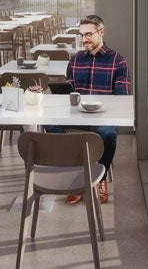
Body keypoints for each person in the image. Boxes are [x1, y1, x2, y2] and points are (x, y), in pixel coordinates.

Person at [43, 14, 130, 204]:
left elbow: (123, 100)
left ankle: (101, 177)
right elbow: (70, 93)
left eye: (89, 34)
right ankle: (78, 176)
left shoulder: (118, 61)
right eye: (81, 35)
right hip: (78, 116)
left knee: (107, 133)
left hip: (104, 117)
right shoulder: (75, 61)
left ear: (101, 32)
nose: (84, 39)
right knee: (50, 125)